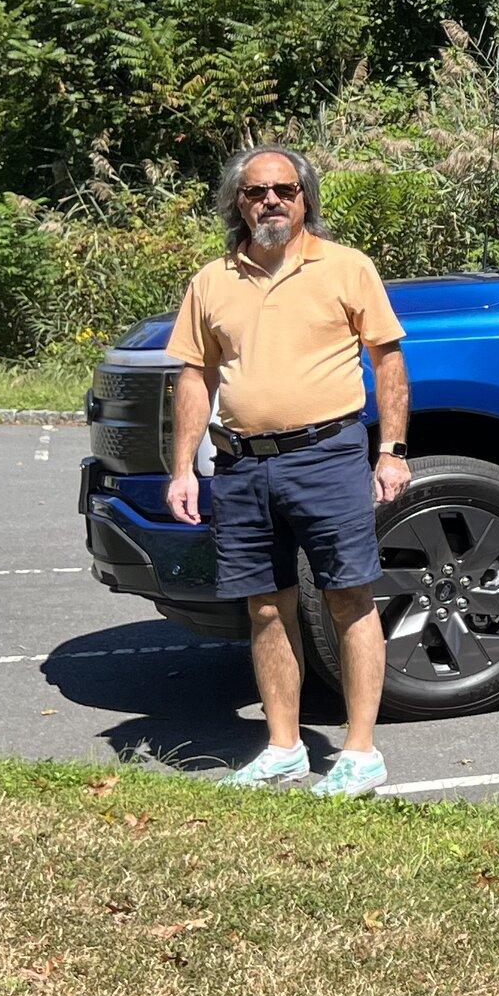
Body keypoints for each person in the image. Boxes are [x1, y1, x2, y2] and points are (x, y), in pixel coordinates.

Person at [161, 145, 412, 795]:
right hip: (241, 466)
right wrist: (183, 467)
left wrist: (392, 451)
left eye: (285, 189)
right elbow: (195, 375)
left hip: (326, 455)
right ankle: (283, 747)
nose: (271, 199)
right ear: (236, 204)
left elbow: (387, 362)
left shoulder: (347, 269)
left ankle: (360, 753)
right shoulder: (212, 280)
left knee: (349, 599)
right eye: (255, 192)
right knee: (266, 611)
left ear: (305, 199)